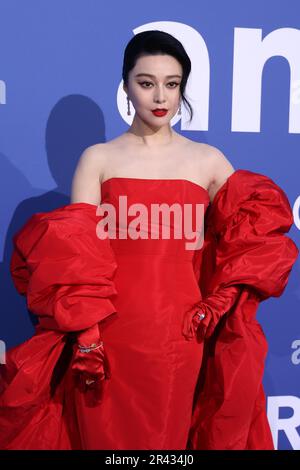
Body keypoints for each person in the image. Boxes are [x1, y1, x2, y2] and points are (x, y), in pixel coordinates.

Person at [0, 30, 298, 450]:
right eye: (146, 83)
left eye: (172, 84)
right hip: (107, 340)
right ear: (125, 86)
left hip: (181, 338)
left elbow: (258, 237)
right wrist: (87, 337)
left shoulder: (207, 162)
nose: (160, 96)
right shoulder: (98, 159)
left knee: (168, 444)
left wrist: (221, 301)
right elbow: (76, 257)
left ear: (182, 89)